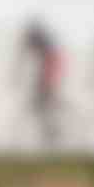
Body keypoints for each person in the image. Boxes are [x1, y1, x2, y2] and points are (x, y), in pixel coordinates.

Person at [15, 19, 66, 148]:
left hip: (51, 62)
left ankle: (52, 130)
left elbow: (21, 58)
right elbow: (23, 58)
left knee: (43, 98)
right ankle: (50, 129)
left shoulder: (31, 38)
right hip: (50, 62)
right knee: (40, 101)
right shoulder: (34, 38)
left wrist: (16, 74)